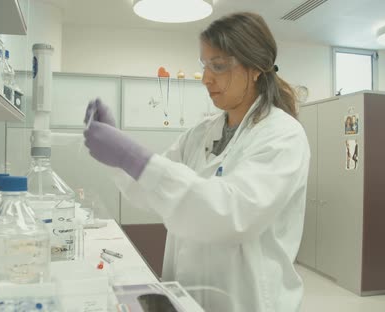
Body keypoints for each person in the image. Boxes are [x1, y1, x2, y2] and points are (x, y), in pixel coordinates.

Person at [83, 12, 310, 312]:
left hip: (249, 301)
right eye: (204, 66)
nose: (205, 79)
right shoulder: (200, 134)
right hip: (188, 294)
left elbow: (231, 214)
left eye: (218, 66)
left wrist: (134, 157)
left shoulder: (283, 135)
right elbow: (152, 190)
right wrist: (116, 158)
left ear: (255, 68)